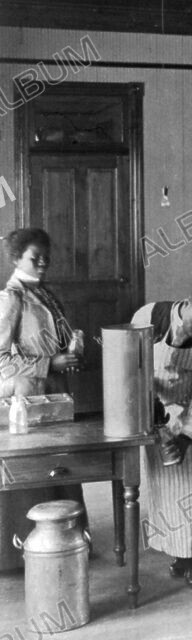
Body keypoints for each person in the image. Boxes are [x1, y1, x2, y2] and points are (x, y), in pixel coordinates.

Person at [0, 228, 86, 571]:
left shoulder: (45, 294)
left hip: (53, 392)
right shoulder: (11, 298)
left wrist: (71, 348)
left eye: (45, 257)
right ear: (16, 258)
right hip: (27, 397)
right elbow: (2, 358)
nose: (42, 263)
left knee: (62, 464)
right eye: (34, 257)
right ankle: (19, 553)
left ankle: (66, 541)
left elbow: (54, 336)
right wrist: (50, 363)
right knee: (32, 469)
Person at [132, 281, 192, 589]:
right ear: (186, 303)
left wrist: (186, 435)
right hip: (153, 412)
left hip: (187, 414)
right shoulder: (149, 316)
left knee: (190, 487)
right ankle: (177, 555)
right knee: (162, 486)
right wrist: (148, 408)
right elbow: (131, 365)